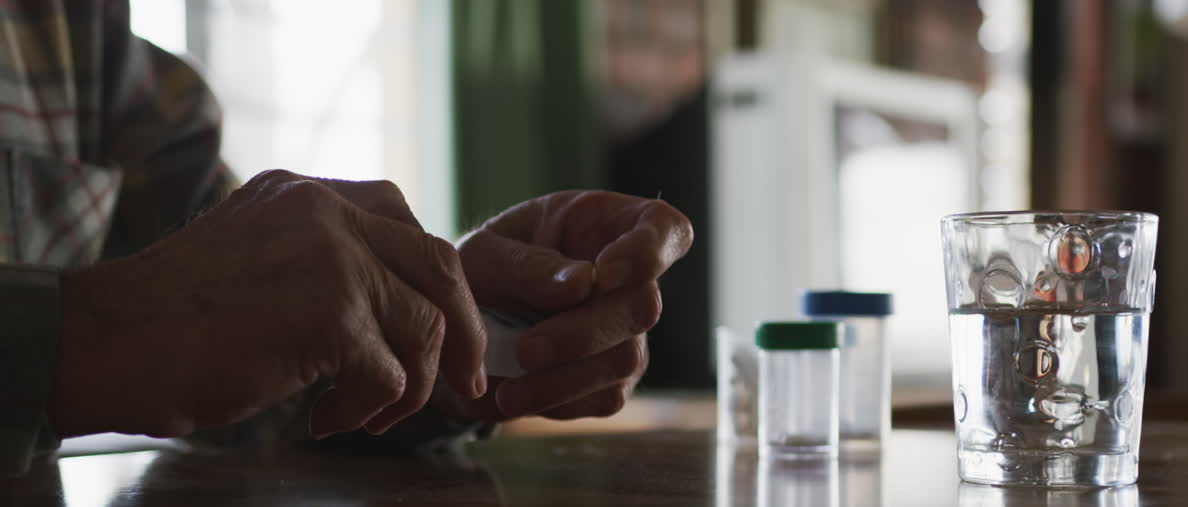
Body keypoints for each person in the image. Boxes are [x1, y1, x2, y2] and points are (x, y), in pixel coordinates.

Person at [0, 1, 692, 476]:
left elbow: (250, 358)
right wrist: (86, 336)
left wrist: (453, 335)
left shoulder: (77, 30)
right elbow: (167, 327)